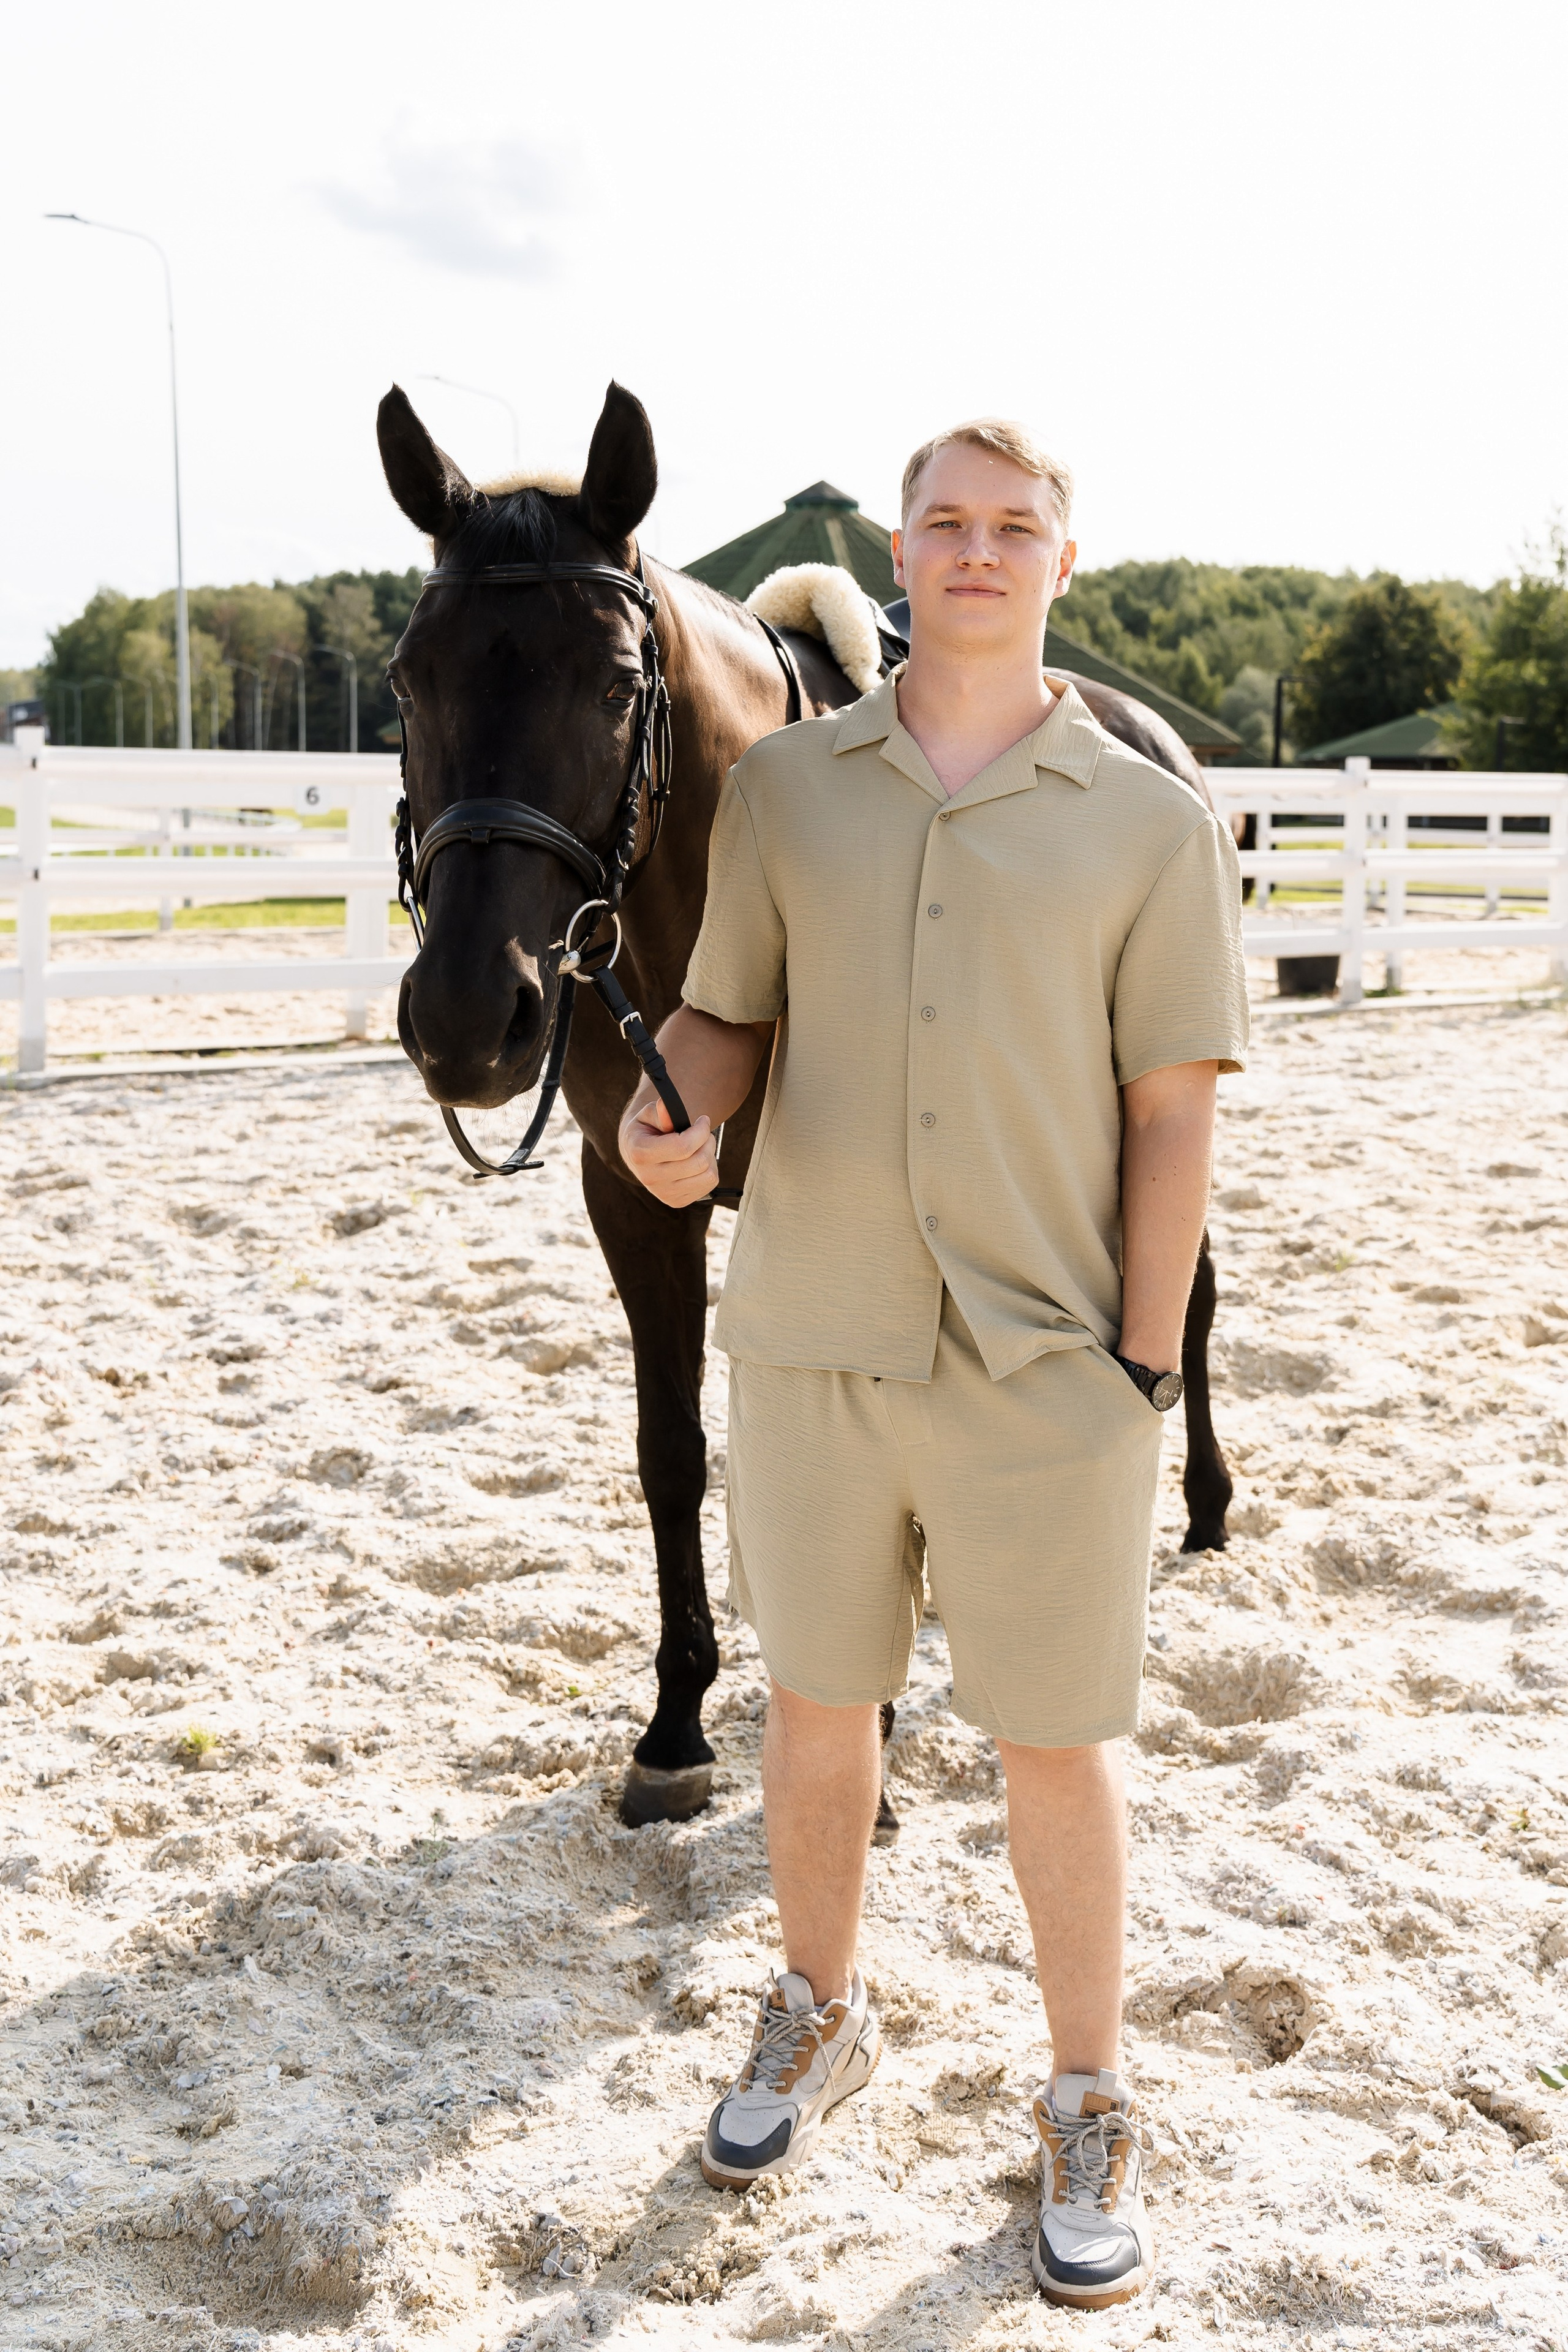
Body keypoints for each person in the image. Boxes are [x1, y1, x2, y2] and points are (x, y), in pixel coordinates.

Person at [618, 419, 1248, 2310]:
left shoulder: (1147, 821)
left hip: (1049, 1363)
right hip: (813, 1336)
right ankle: (819, 2010)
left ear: (1064, 556)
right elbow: (725, 1015)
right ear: (896, 552)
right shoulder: (785, 793)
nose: (977, 550)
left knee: (1057, 1744)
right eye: (946, 523)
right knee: (819, 1709)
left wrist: (1142, 1371)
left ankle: (1089, 2093)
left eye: (1012, 526)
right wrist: (671, 1114)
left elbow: (1173, 1115)